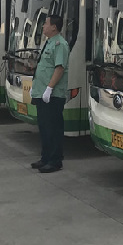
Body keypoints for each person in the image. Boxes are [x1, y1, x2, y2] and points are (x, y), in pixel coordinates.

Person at [30, 15, 70, 173]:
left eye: (46, 24)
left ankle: (55, 161)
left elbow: (59, 68)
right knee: (44, 128)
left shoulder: (60, 44)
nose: (43, 26)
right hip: (41, 93)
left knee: (53, 128)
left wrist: (49, 88)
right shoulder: (48, 43)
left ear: (54, 27)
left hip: (52, 95)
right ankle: (45, 158)